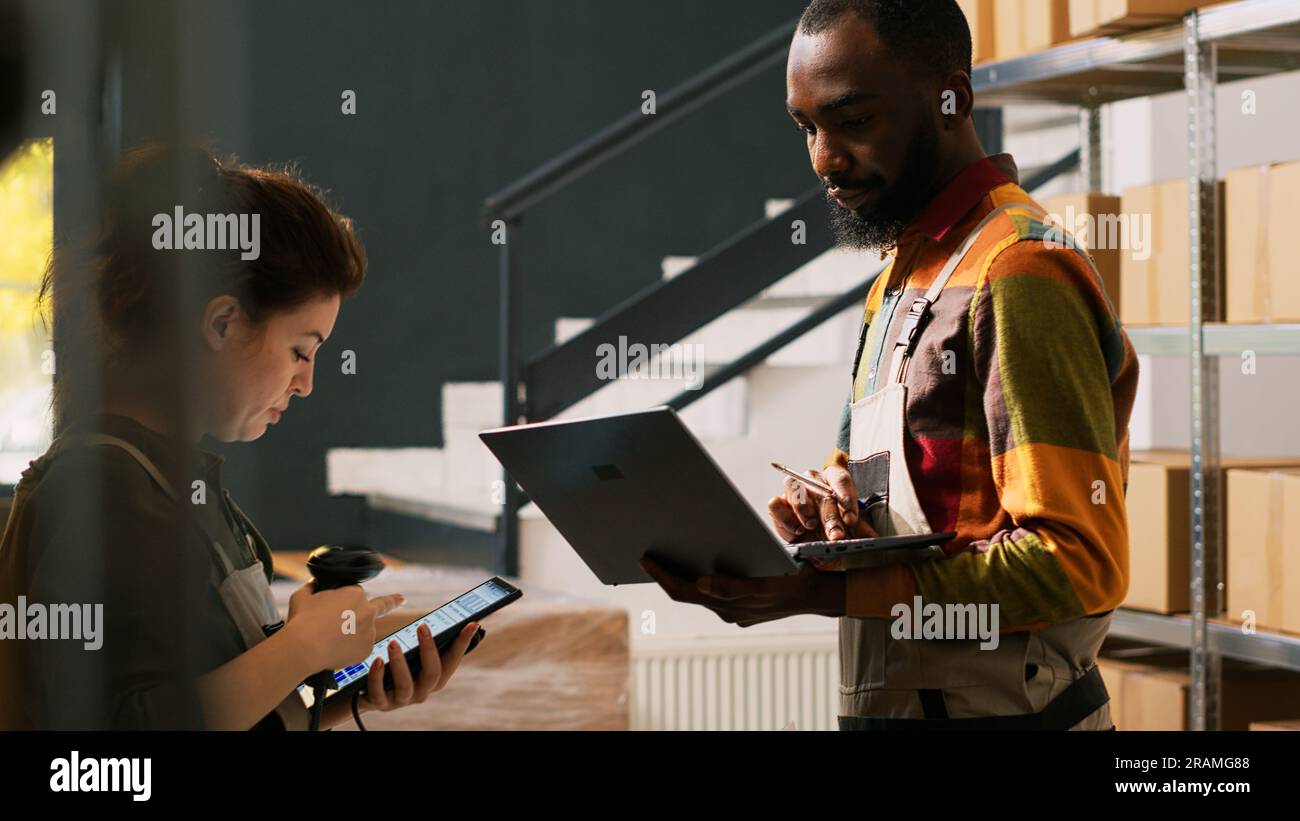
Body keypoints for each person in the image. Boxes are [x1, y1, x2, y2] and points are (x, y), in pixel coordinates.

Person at [642, 0, 1138, 730]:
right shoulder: (899, 281)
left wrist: (820, 594)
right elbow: (929, 500)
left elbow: (1077, 561)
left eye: (853, 120)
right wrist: (837, 503)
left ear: (952, 100)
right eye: (807, 128)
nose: (824, 158)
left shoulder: (1020, 271)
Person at [0, 144, 479, 730]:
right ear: (221, 322)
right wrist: (300, 647)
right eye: (300, 350)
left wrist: (346, 690)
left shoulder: (167, 480)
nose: (305, 384)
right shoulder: (106, 490)